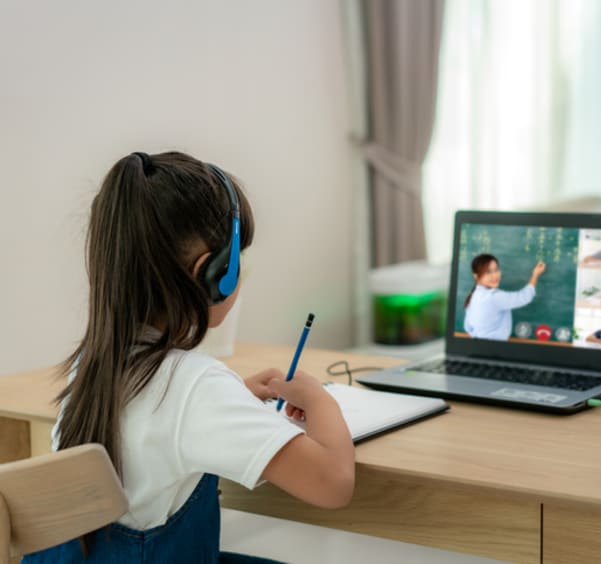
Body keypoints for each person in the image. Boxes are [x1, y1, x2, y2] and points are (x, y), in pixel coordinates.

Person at [22, 152, 354, 563]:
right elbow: (333, 484)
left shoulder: (93, 364)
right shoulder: (195, 387)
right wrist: (322, 401)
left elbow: (167, 420)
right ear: (214, 274)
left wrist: (231, 396)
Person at [463, 254, 546, 340]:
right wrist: (535, 274)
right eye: (488, 272)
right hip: (493, 348)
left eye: (496, 270)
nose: (495, 275)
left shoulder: (473, 295)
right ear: (476, 276)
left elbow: (468, 327)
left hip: (476, 344)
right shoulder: (494, 297)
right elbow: (525, 297)